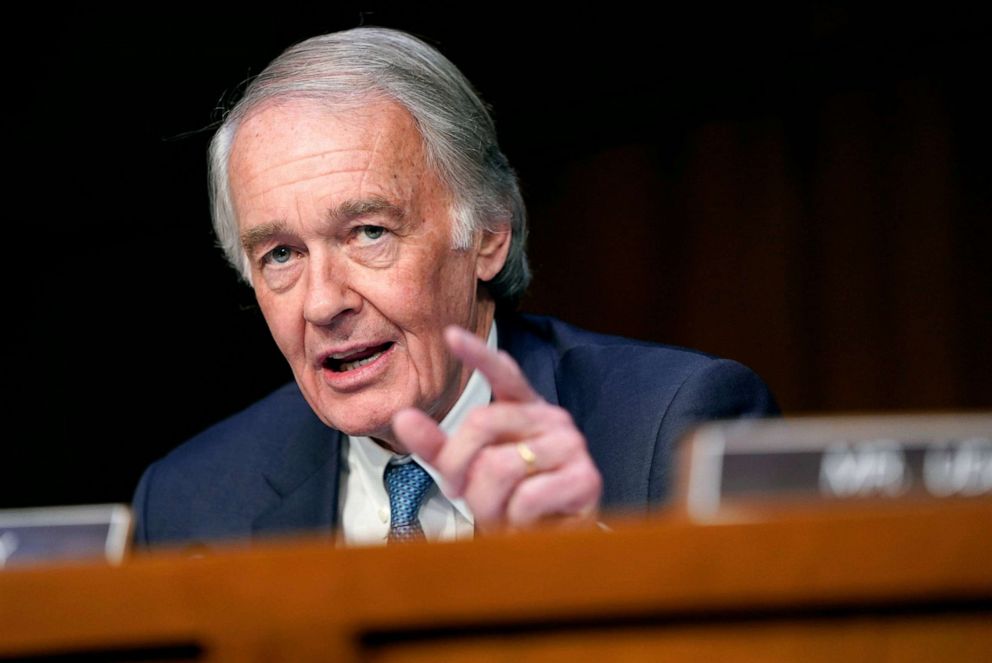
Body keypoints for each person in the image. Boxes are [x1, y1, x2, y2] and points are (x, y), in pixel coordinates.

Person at [132, 26, 778, 547]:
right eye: (280, 253)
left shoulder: (676, 432)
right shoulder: (192, 501)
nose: (324, 302)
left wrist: (582, 565)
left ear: (489, 234)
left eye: (368, 233)